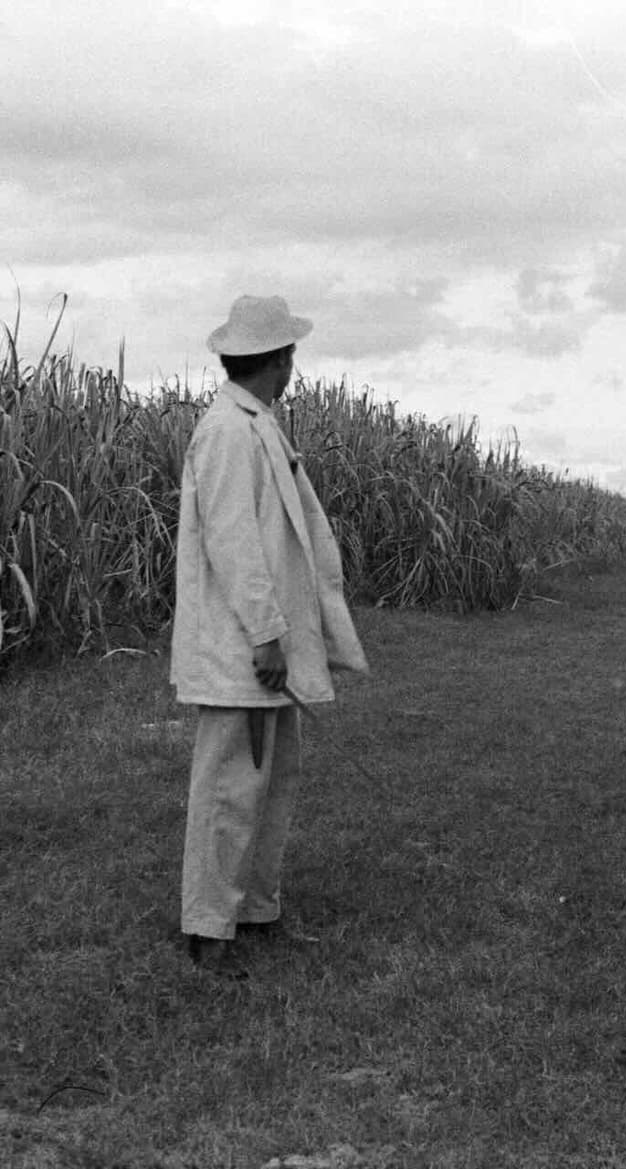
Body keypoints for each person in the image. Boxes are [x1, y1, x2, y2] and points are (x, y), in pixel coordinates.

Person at [170, 294, 368, 978]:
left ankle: (252, 909)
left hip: (263, 643)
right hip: (243, 648)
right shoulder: (227, 431)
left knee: (268, 781)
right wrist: (263, 635)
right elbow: (233, 542)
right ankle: (207, 926)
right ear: (276, 359)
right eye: (289, 354)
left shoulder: (255, 423)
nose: (292, 366)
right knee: (231, 785)